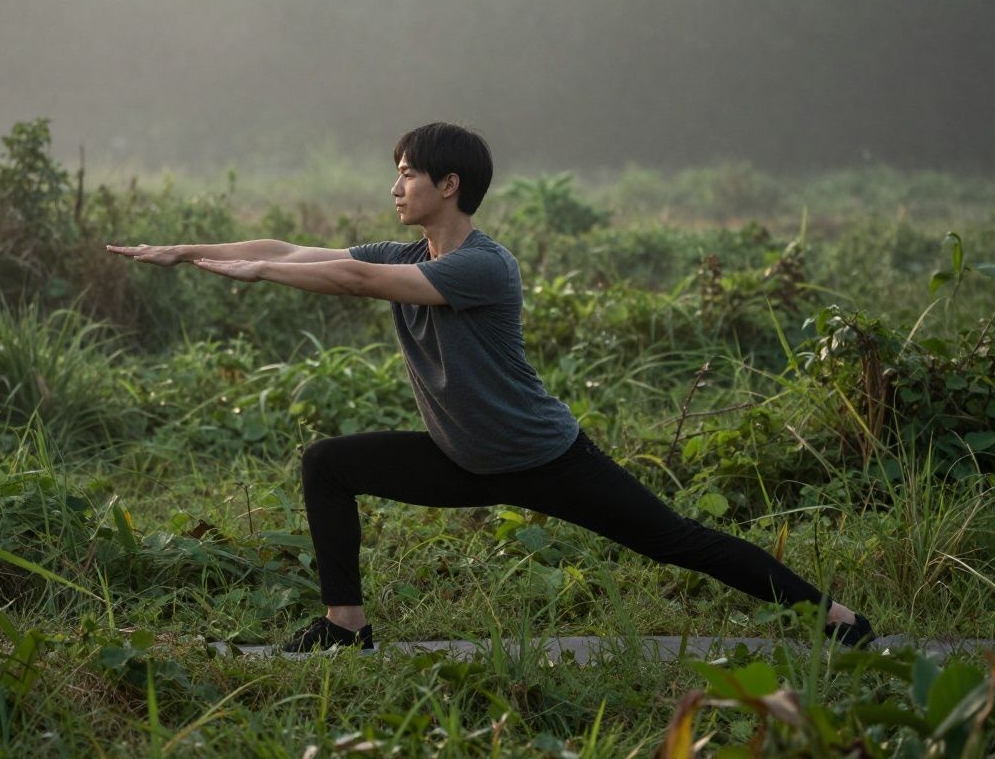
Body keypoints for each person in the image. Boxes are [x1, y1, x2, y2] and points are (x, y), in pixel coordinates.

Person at [107, 122, 873, 653]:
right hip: (460, 456)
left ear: (451, 183)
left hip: (543, 457)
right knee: (327, 463)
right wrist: (188, 250)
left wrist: (259, 274)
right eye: (398, 170)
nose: (396, 184)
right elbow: (296, 246)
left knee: (675, 542)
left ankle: (836, 619)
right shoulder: (409, 248)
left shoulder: (482, 266)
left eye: (409, 172)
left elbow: (356, 278)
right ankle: (346, 627)